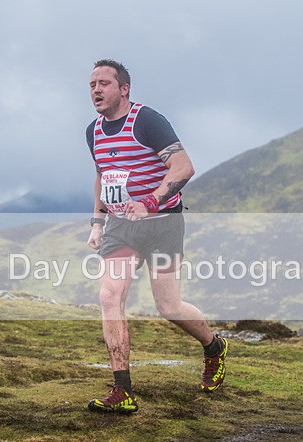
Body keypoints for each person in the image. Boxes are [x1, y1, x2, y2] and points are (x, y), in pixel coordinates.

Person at [85, 59, 228, 414]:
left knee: (168, 306)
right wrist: (98, 221)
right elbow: (104, 175)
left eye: (104, 83)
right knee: (109, 296)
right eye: (92, 85)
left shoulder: (148, 120)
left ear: (124, 89)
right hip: (122, 226)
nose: (97, 90)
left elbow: (184, 167)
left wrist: (150, 201)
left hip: (163, 222)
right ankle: (123, 391)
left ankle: (213, 347)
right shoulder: (94, 131)